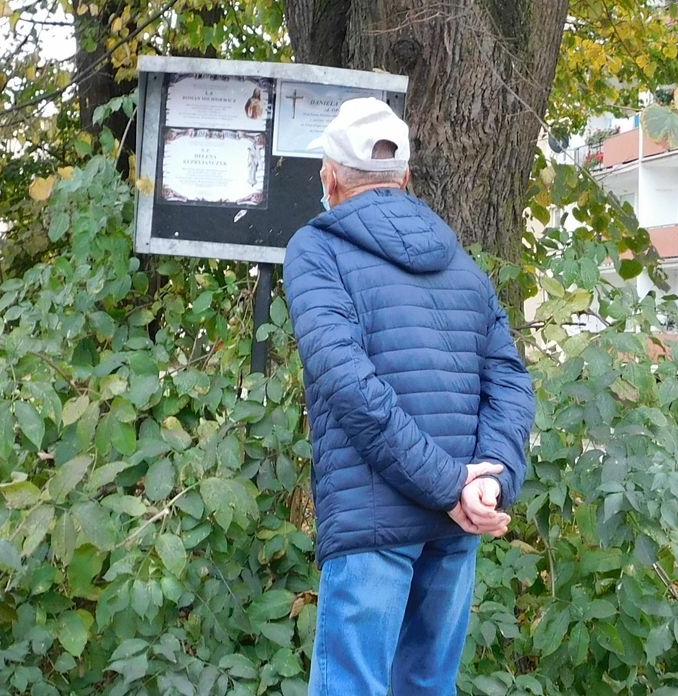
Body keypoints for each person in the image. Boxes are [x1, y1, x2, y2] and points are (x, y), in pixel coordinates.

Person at [282, 98, 536, 695]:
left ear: (330, 177)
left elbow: (347, 382)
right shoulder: (464, 267)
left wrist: (454, 485)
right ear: (406, 178)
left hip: (375, 522)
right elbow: (510, 380)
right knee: (426, 687)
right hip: (455, 524)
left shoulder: (316, 251)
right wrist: (486, 481)